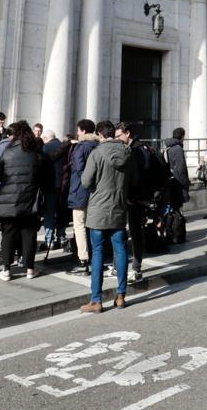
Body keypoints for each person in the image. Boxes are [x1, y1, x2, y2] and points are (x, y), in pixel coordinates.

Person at [80, 120, 134, 313]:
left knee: (98, 253)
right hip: (119, 207)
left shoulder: (97, 153)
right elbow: (133, 179)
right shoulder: (128, 152)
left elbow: (86, 182)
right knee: (120, 251)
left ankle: (96, 300)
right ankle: (121, 296)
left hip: (99, 210)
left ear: (100, 135)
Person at [0, 120, 47, 280]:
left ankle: (6, 270)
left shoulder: (7, 152)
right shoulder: (36, 152)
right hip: (30, 199)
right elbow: (44, 174)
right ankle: (30, 269)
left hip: (9, 200)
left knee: (8, 233)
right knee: (29, 234)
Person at [116, 123, 152, 283]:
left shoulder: (138, 150)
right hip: (131, 197)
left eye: (118, 136)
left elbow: (141, 175)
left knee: (135, 232)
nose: (117, 139)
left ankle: (136, 267)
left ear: (127, 133)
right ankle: (120, 265)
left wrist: (132, 195)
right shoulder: (132, 149)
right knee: (124, 231)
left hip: (136, 198)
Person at [66, 119, 101, 276]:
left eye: (79, 130)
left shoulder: (80, 148)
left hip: (81, 191)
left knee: (79, 225)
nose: (78, 133)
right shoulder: (98, 145)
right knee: (93, 225)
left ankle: (83, 260)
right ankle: (95, 256)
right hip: (96, 192)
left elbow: (80, 169)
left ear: (83, 131)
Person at [40, 129, 67, 250]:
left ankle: (49, 240)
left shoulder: (45, 148)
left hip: (50, 185)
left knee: (49, 213)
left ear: (45, 138)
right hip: (64, 185)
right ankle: (61, 237)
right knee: (61, 212)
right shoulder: (64, 146)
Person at [165, 127, 190, 203]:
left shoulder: (169, 147)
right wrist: (186, 182)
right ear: (182, 137)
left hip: (171, 178)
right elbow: (181, 168)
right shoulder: (178, 148)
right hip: (178, 181)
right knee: (178, 203)